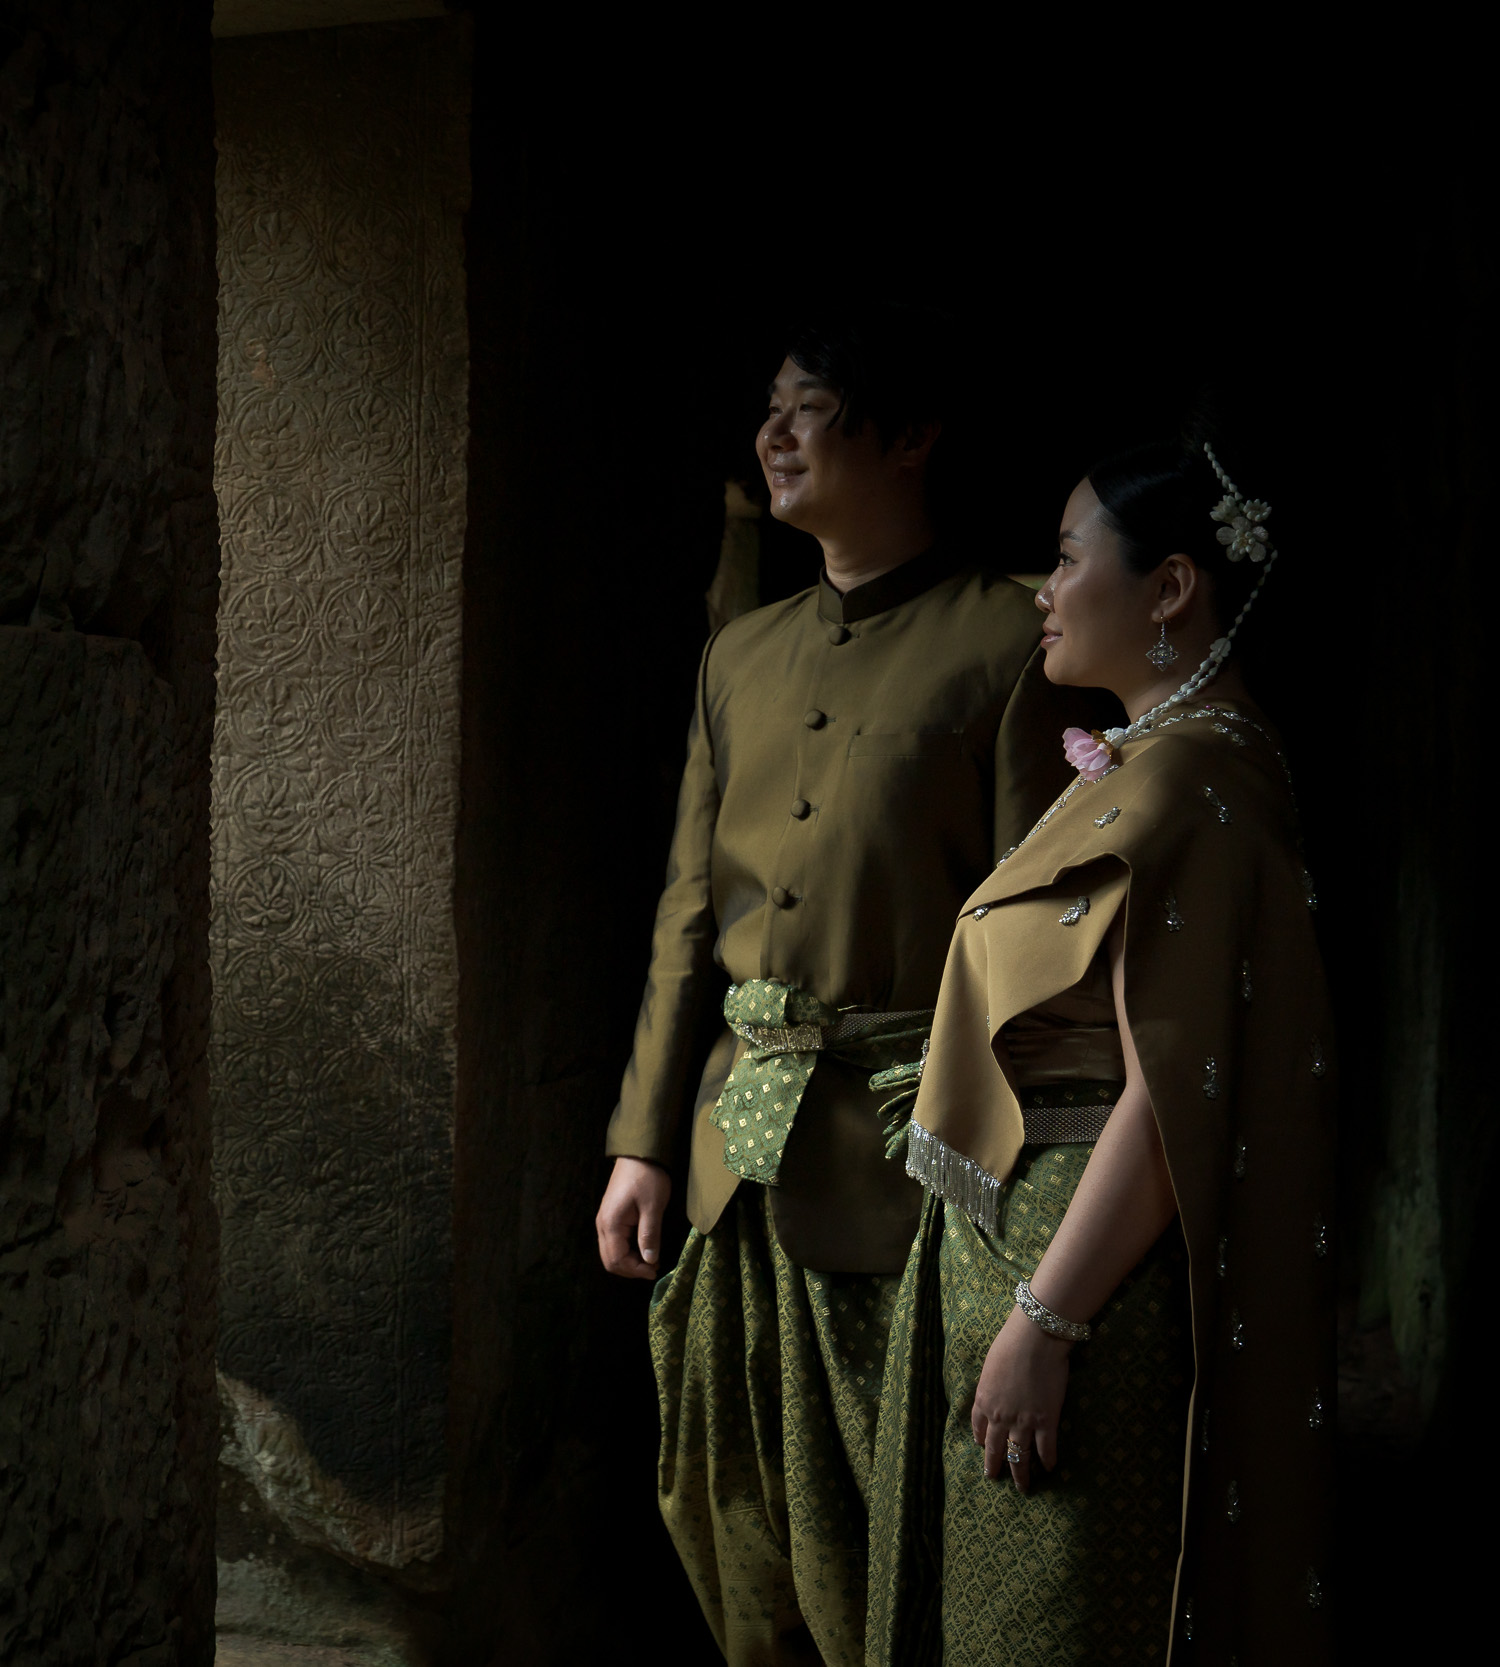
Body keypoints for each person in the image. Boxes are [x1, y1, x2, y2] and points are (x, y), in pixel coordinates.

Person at [592, 311, 1113, 1666]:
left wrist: (1019, 1190)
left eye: (810, 406)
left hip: (906, 1162)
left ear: (911, 434)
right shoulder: (740, 653)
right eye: (767, 408)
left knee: (904, 1523)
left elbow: (1037, 933)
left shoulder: (1010, 640)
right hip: (729, 1153)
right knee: (723, 1498)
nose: (774, 435)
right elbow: (686, 908)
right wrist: (644, 1138)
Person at [866, 439, 1333, 1666]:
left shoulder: (1189, 785)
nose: (1043, 588)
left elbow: (1169, 1098)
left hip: (1080, 1282)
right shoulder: (1165, 762)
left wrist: (1044, 1320)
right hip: (1034, 1259)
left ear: (1170, 587)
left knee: (1044, 1628)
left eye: (1068, 559)